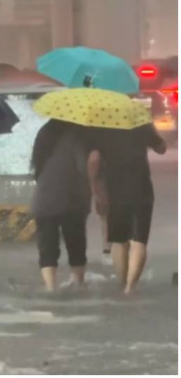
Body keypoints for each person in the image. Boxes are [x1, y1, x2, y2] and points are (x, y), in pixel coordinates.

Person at [87, 123, 166, 294]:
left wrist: (95, 188)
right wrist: (153, 132)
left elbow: (93, 159)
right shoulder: (141, 124)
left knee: (119, 240)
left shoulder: (102, 127)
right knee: (139, 241)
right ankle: (130, 287)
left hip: (115, 189)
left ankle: (122, 283)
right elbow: (161, 148)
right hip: (141, 188)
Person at [30, 120, 92, 292]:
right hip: (72, 198)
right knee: (76, 242)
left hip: (44, 197)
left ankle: (50, 287)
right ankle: (78, 282)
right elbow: (82, 167)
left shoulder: (43, 134)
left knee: (47, 245)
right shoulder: (76, 137)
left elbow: (36, 168)